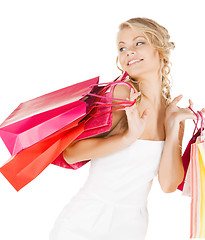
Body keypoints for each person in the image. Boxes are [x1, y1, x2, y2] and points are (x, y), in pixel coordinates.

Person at [49, 17, 204, 240]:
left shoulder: (172, 113)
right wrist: (128, 137)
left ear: (160, 51)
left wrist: (172, 126)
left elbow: (169, 184)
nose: (128, 52)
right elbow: (71, 153)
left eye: (139, 43)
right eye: (122, 48)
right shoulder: (123, 95)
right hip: (86, 221)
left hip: (132, 227)